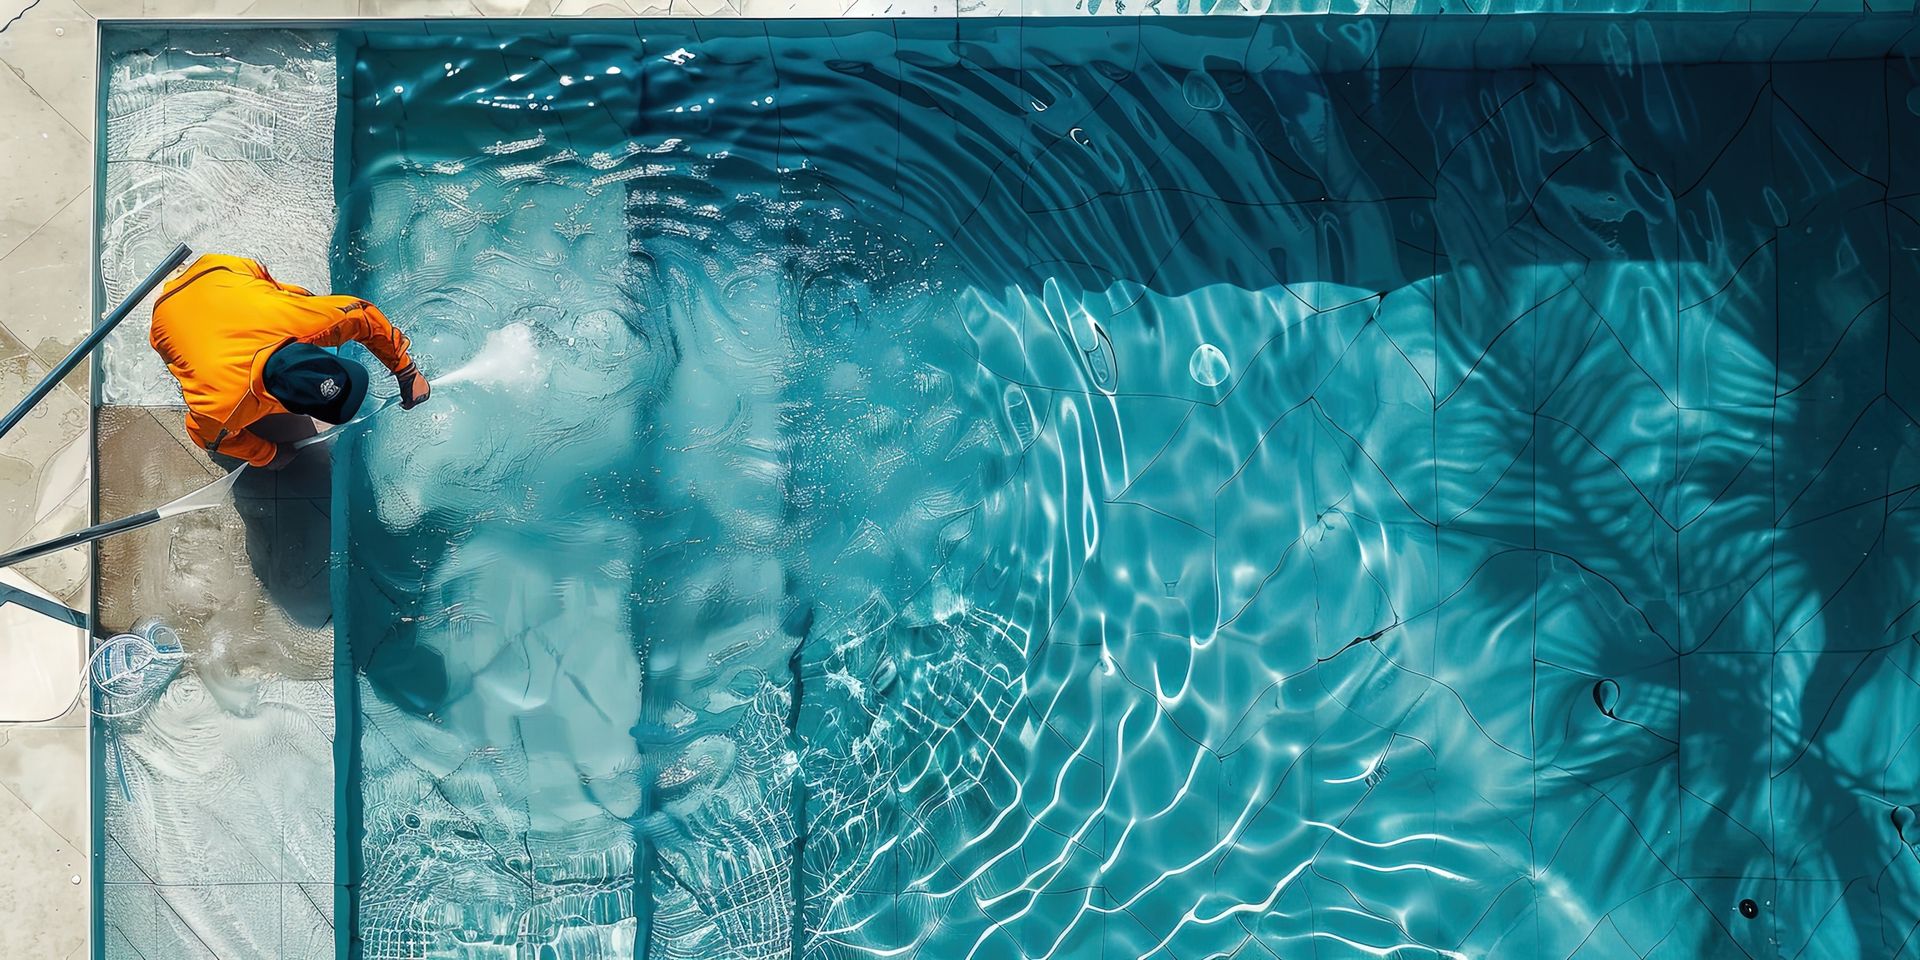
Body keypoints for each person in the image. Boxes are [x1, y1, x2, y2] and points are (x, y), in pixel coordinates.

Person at [149, 253, 431, 470]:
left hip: (220, 269)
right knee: (186, 364)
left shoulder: (312, 322)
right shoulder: (223, 408)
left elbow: (364, 316)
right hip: (166, 316)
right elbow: (207, 437)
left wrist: (406, 370)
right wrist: (268, 454)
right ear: (288, 407)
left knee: (295, 297)